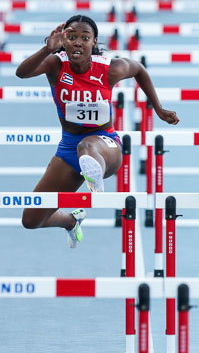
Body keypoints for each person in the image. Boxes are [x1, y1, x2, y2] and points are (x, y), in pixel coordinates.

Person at [16, 15, 179, 248]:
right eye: (71, 37)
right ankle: (72, 221)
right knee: (31, 220)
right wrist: (46, 49)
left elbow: (139, 70)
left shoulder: (110, 68)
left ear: (94, 42)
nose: (78, 43)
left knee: (88, 147)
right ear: (64, 40)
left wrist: (158, 108)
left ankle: (95, 177)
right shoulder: (55, 64)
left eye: (85, 38)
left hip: (106, 145)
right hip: (68, 148)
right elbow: (22, 73)